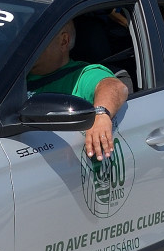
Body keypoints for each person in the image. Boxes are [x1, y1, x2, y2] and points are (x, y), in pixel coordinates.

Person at [25, 21, 128, 160]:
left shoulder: (83, 75)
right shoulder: (14, 76)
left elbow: (115, 87)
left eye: (33, 38)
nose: (24, 45)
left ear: (64, 41)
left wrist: (100, 114)